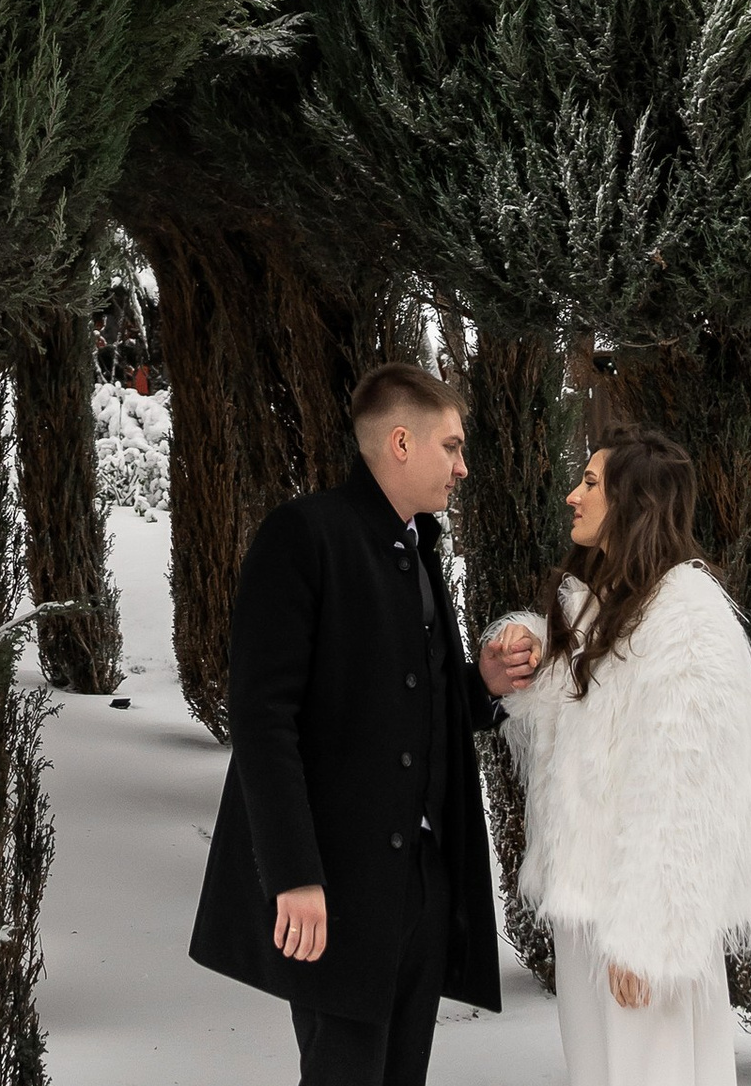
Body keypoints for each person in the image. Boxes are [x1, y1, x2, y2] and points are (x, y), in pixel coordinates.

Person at [189, 362, 538, 1086]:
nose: (462, 467)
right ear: (401, 443)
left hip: (418, 887)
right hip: (335, 889)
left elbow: (406, 703)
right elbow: (262, 719)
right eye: (452, 447)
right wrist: (293, 877)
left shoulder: (417, 548)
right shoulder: (303, 535)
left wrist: (482, 686)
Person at [484, 428, 751, 1086]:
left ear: (634, 500)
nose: (571, 495)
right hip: (591, 915)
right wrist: (523, 645)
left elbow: (688, 798)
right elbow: (563, 727)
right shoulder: (605, 611)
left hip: (643, 927)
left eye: (589, 482)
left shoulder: (688, 622)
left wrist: (649, 941)